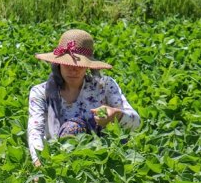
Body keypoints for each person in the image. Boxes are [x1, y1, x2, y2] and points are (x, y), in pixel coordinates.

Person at [27, 29, 140, 166]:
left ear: (87, 66)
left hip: (104, 156)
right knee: (72, 128)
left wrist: (115, 115)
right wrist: (39, 163)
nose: (73, 70)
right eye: (68, 64)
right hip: (59, 159)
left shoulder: (104, 86)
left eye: (79, 65)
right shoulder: (41, 92)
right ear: (58, 63)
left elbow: (136, 124)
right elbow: (35, 132)